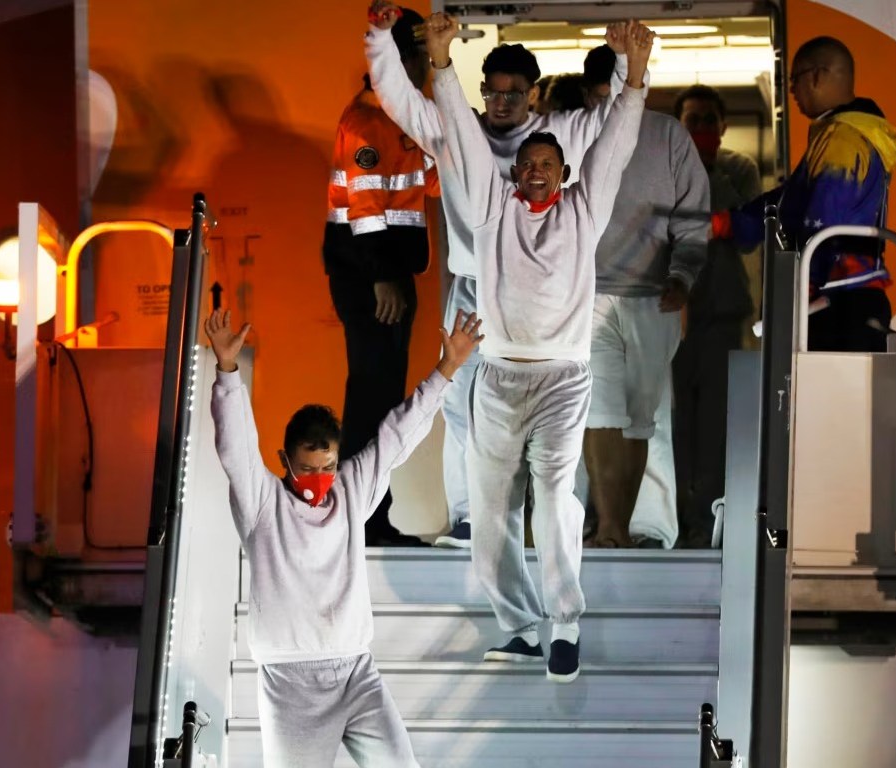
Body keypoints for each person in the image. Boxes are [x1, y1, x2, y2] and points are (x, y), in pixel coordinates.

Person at [425, 11, 654, 683]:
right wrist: (441, 66)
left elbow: (616, 144)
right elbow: (463, 136)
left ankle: (564, 623)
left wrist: (635, 75)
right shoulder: (491, 208)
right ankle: (520, 629)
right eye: (526, 165)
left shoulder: (585, 209)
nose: (533, 173)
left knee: (554, 499)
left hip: (561, 381)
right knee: (491, 510)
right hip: (498, 380)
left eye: (546, 166)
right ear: (514, 172)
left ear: (563, 173)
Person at [365, 1, 630, 549]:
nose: (503, 102)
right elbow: (398, 99)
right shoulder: (454, 129)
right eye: (493, 91)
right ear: (482, 90)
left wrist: (628, 62)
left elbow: (618, 119)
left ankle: (556, 520)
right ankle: (470, 519)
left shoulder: (561, 133)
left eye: (515, 93)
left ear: (534, 94)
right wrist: (379, 36)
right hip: (473, 289)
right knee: (461, 406)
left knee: (559, 415)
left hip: (548, 297)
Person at [205, 307, 483, 767]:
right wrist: (228, 371)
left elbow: (396, 436)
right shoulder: (262, 502)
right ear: (285, 461)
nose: (319, 477)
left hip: (356, 671)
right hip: (290, 682)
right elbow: (236, 448)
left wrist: (447, 368)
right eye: (307, 468)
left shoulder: (351, 489)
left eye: (328, 467)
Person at [576, 45, 709, 549]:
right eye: (603, 97)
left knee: (646, 417)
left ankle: (651, 529)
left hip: (654, 296)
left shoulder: (668, 136)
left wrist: (682, 277)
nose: (614, 106)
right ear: (588, 95)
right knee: (596, 414)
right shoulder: (573, 132)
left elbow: (692, 216)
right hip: (586, 296)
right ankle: (605, 526)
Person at [325, 7, 438, 546]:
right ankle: (361, 521)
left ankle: (371, 517)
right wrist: (383, 277)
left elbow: (430, 184)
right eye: (421, 58)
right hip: (373, 278)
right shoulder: (368, 123)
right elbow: (365, 210)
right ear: (402, 59)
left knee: (383, 398)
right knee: (373, 399)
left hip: (387, 275)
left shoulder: (398, 119)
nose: (427, 69)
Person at [718, 36, 896, 352]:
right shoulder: (842, 134)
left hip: (838, 303)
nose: (791, 91)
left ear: (816, 76)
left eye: (794, 80)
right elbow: (792, 199)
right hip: (842, 299)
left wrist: (807, 282)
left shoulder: (842, 139)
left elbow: (823, 216)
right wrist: (733, 224)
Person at [670, 83, 763, 548]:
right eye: (693, 120)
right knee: (674, 421)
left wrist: (707, 168)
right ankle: (673, 518)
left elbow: (748, 234)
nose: (703, 127)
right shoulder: (664, 166)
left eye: (710, 119)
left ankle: (706, 521)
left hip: (723, 311)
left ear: (724, 125)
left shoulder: (740, 169)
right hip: (671, 311)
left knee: (716, 424)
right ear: (678, 125)